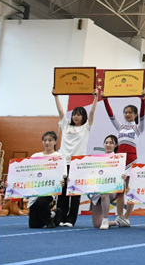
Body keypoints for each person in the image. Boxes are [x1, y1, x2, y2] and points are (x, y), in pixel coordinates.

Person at [53, 88, 98, 227]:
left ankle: (71, 220)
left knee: (74, 193)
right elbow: (61, 111)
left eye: (79, 115)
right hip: (63, 162)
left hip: (77, 164)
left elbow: (92, 113)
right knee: (62, 192)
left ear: (83, 117)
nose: (76, 117)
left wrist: (96, 98)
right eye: (74, 114)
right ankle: (60, 218)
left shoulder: (86, 127)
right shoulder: (66, 125)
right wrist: (56, 96)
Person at [102, 88, 145, 227]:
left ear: (135, 114)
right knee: (120, 191)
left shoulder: (138, 128)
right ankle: (120, 216)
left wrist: (143, 100)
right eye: (125, 112)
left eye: (130, 112)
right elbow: (111, 116)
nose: (127, 114)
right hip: (120, 161)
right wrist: (105, 100)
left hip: (132, 160)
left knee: (130, 190)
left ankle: (127, 217)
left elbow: (143, 116)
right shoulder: (120, 127)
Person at [26, 131, 64, 229]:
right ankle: (54, 214)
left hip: (50, 190)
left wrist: (62, 181)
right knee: (34, 225)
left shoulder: (59, 157)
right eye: (45, 140)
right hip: (36, 190)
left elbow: (63, 174)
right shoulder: (35, 156)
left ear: (55, 142)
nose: (47, 142)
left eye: (50, 140)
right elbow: (27, 173)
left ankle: (49, 220)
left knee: (41, 202)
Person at [89, 135, 127, 229]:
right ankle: (117, 222)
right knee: (97, 224)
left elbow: (121, 178)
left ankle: (105, 219)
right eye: (106, 143)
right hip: (97, 191)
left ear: (116, 145)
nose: (108, 145)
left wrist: (123, 177)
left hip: (111, 191)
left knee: (105, 193)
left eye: (111, 143)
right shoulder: (97, 159)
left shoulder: (118, 159)